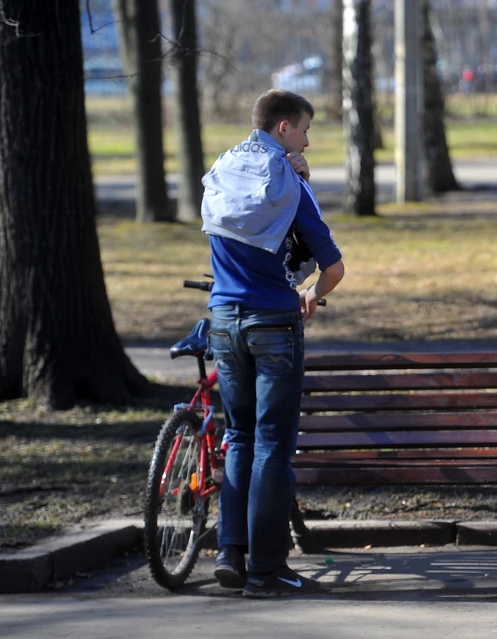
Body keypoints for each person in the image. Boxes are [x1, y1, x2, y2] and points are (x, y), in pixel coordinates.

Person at [201, 89, 344, 598]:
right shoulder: (290, 184)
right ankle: (267, 569)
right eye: (305, 129)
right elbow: (333, 268)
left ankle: (230, 553)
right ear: (283, 128)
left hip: (223, 317)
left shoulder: (221, 171)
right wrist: (309, 292)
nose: (308, 140)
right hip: (274, 324)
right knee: (271, 445)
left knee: (237, 438)